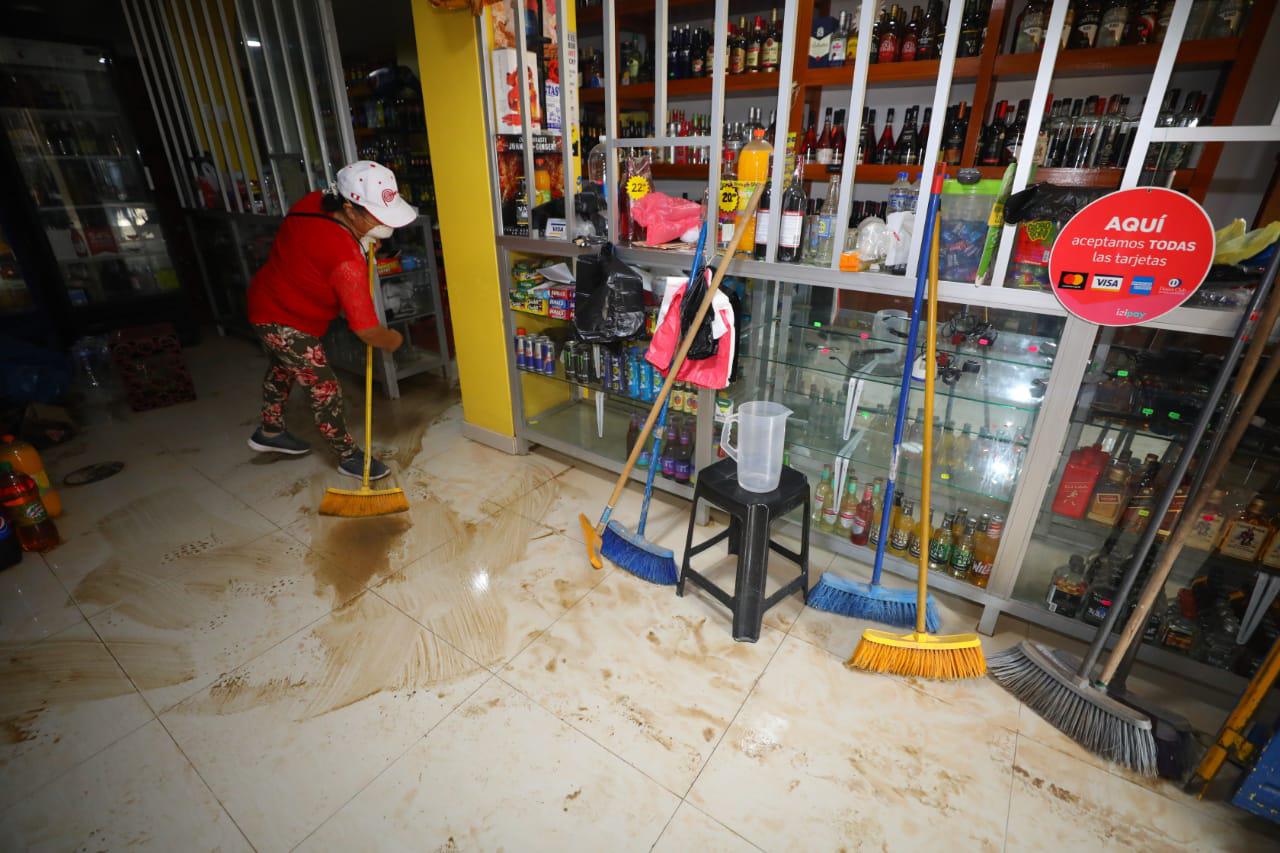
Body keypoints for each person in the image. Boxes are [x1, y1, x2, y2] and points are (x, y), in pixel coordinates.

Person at [245, 160, 416, 480]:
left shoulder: (314, 202)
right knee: (324, 386)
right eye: (377, 216)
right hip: (283, 317)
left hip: (266, 299)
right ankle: (348, 456)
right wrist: (392, 340)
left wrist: (361, 238)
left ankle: (270, 431)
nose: (385, 224)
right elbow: (366, 329)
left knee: (284, 366)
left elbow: (315, 243)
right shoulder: (345, 260)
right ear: (350, 208)